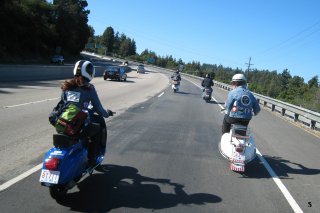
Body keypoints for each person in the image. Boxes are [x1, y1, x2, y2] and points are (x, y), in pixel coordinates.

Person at [60, 60, 113, 166]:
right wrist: (107, 114)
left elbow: (64, 105)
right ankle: (92, 160)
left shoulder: (67, 86)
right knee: (97, 130)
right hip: (77, 126)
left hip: (62, 123)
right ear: (88, 73)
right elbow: (98, 108)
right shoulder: (89, 88)